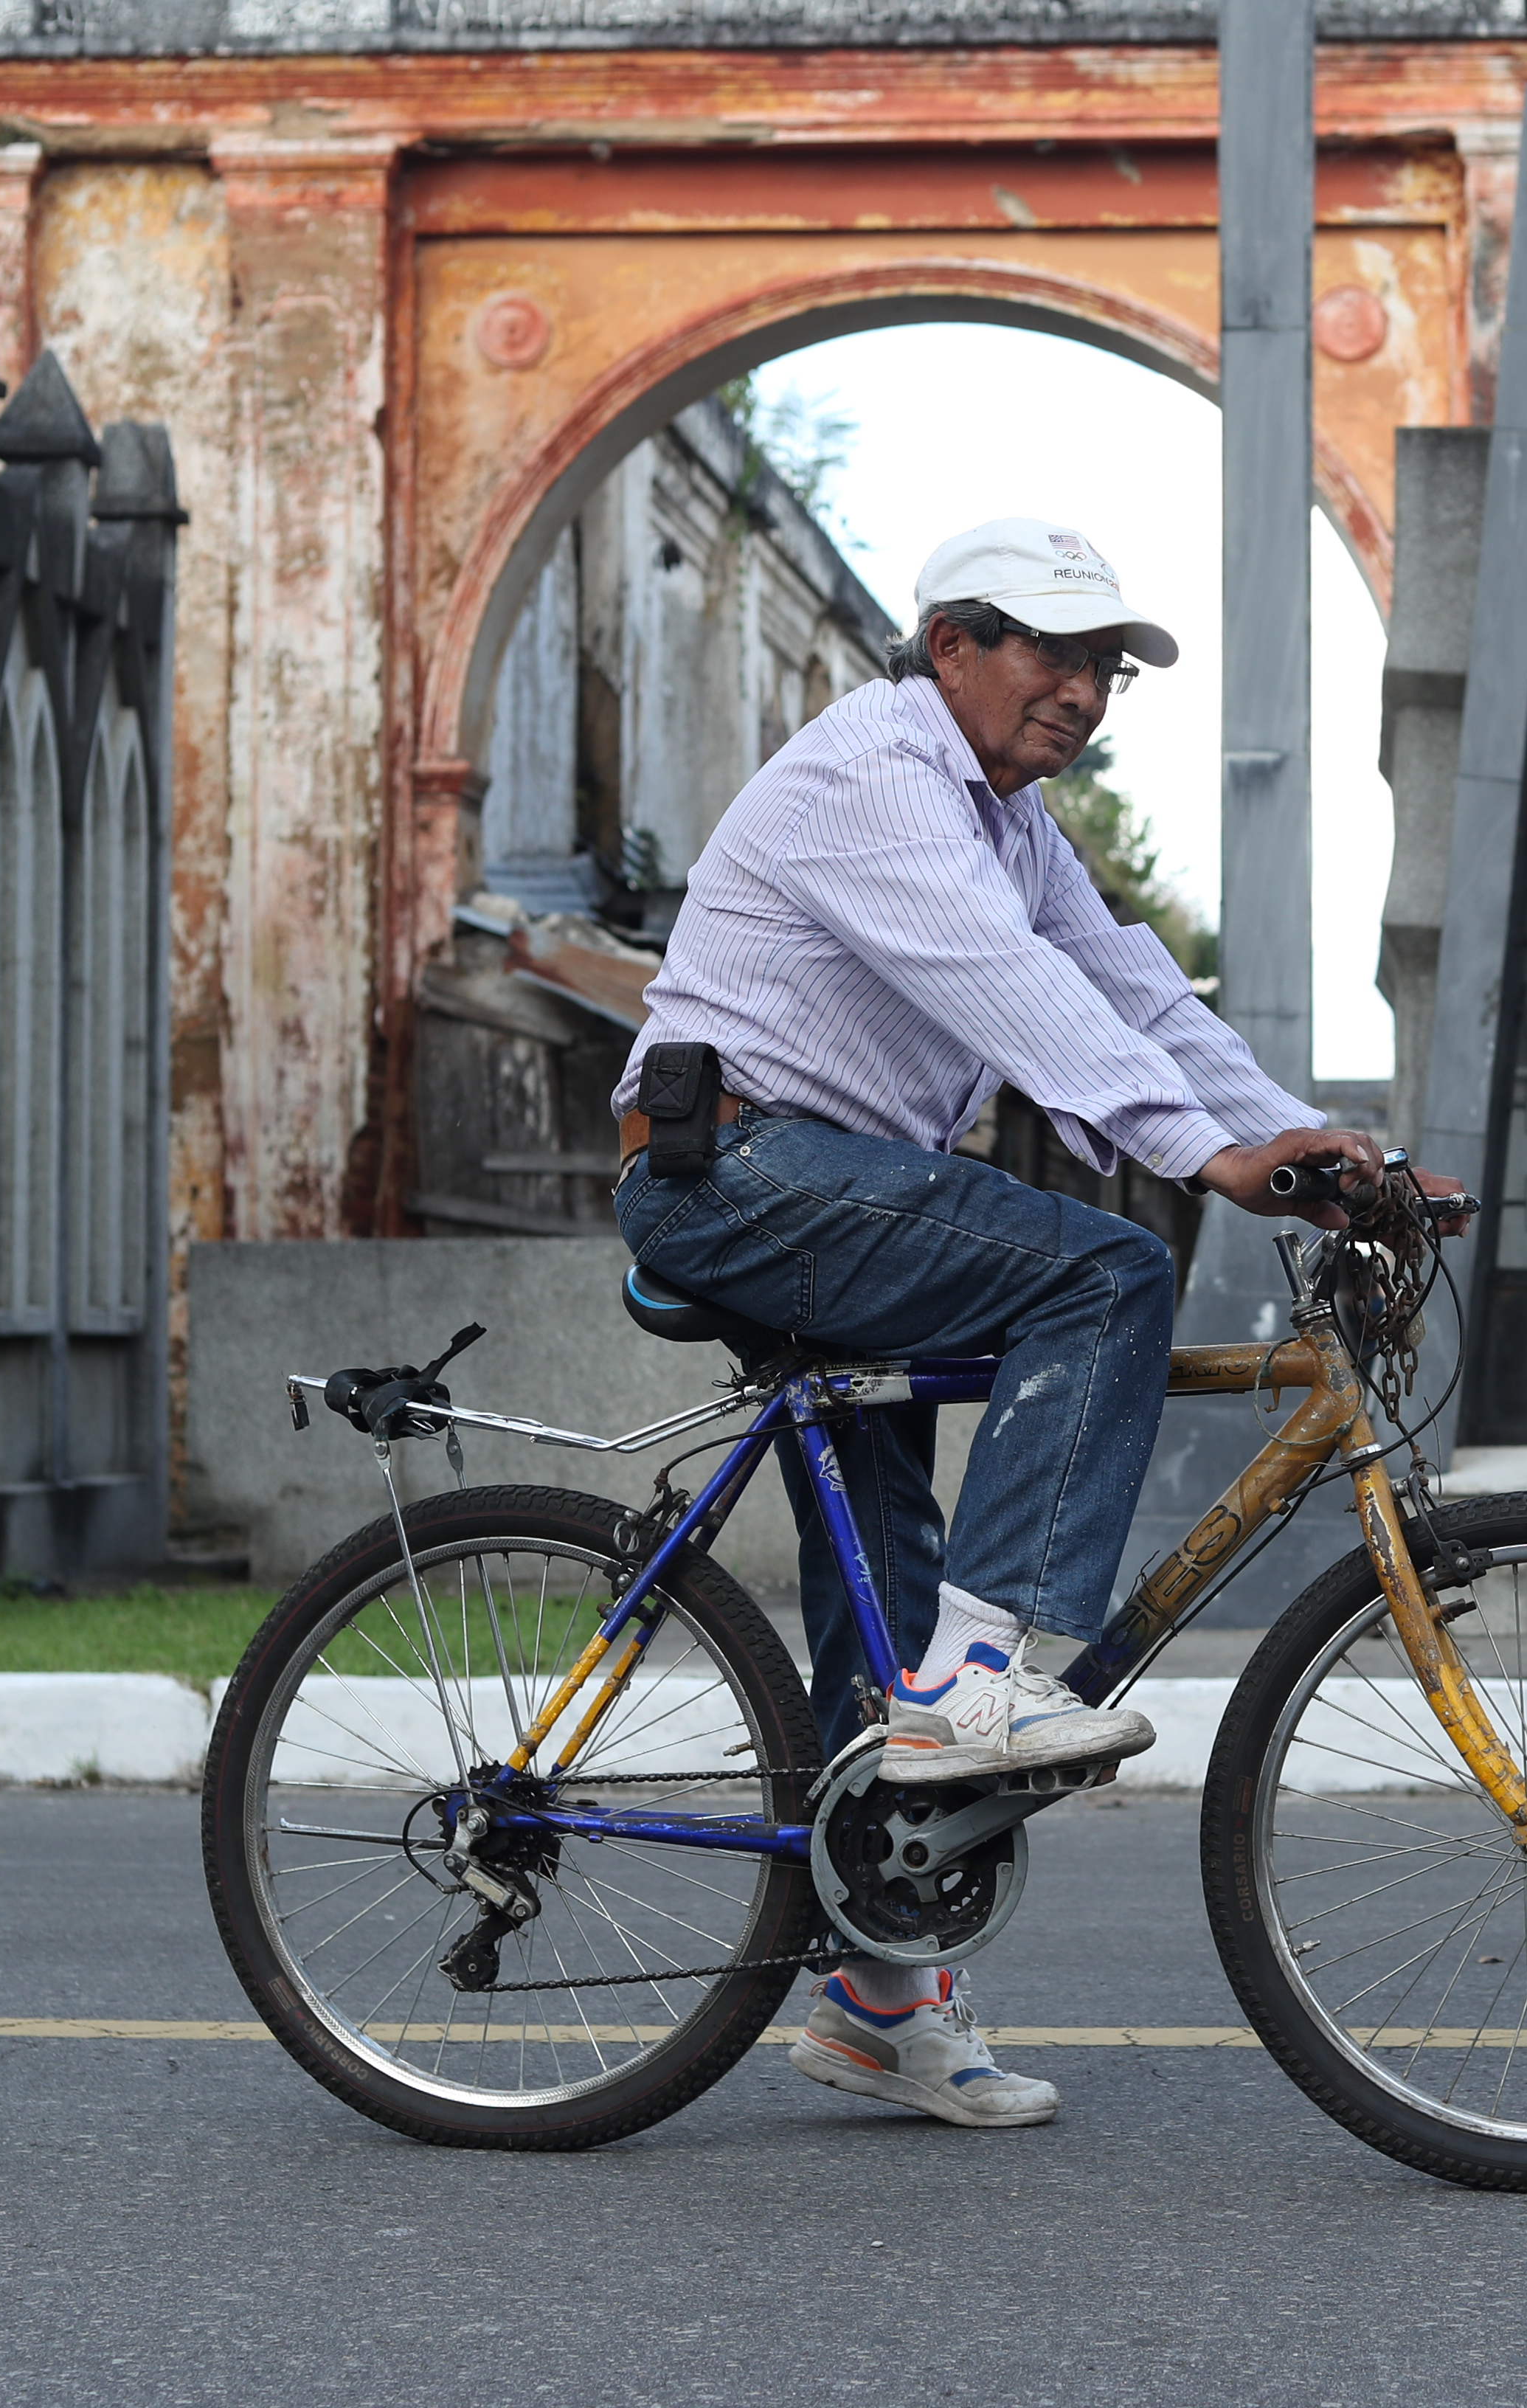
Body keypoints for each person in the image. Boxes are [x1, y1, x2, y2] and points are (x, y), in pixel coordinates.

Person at [607, 513, 1452, 2131]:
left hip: (829, 1191)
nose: (1082, 692)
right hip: (739, 1178)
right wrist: (1207, 1159)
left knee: (892, 1595)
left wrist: (1345, 1156)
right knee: (1103, 1274)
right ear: (952, 649)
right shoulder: (880, 778)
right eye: (1051, 654)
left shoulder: (1010, 820)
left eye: (1106, 667)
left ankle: (878, 1993)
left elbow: (1130, 992)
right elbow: (1016, 994)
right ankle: (971, 1688)